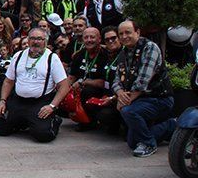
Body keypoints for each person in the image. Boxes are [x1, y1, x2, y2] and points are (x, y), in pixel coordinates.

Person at [0, 28, 70, 143]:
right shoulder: (18, 56)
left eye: (39, 39)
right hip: (18, 100)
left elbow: (64, 85)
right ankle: (24, 120)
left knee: (43, 135)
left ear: (45, 41)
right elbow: (8, 81)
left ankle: (54, 120)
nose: (36, 42)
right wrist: (2, 101)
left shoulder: (52, 58)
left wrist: (52, 106)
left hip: (40, 101)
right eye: (32, 38)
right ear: (28, 40)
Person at [112, 20, 175, 157]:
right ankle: (171, 127)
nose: (124, 36)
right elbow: (116, 79)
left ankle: (149, 144)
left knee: (128, 111)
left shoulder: (150, 47)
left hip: (159, 98)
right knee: (132, 142)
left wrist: (124, 101)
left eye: (128, 32)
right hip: (141, 100)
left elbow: (143, 79)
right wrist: (119, 92)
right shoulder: (123, 53)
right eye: (121, 34)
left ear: (138, 32)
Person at [66, 27, 109, 131]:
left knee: (87, 91)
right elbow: (72, 77)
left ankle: (89, 122)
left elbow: (103, 83)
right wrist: (65, 89)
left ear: (99, 39)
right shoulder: (79, 55)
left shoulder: (106, 55)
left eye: (92, 37)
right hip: (80, 89)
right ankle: (77, 115)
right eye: (86, 37)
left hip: (100, 92)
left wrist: (83, 82)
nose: (89, 40)